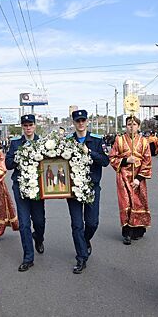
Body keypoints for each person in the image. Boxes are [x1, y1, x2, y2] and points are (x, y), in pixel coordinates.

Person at [65, 110, 110, 274]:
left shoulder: (97, 140)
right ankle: (81, 257)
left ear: (87, 122)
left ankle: (85, 241)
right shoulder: (68, 141)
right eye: (78, 121)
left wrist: (89, 152)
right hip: (73, 189)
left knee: (92, 223)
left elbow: (106, 161)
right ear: (74, 123)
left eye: (83, 120)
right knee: (77, 225)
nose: (81, 123)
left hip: (91, 186)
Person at [5, 114, 45, 272]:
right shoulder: (15, 143)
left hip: (38, 187)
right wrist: (17, 157)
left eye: (30, 125)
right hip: (20, 186)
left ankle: (39, 238)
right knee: (24, 223)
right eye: (25, 125)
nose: (28, 128)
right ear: (22, 127)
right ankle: (28, 257)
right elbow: (8, 164)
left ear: (35, 126)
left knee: (39, 221)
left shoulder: (42, 142)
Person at [109, 115, 152, 245]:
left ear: (138, 126)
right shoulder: (119, 140)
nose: (131, 127)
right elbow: (112, 158)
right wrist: (126, 160)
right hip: (123, 176)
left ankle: (138, 229)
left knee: (138, 202)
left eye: (134, 124)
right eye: (129, 124)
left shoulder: (144, 142)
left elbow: (147, 161)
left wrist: (139, 179)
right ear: (126, 126)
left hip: (138, 177)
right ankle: (126, 232)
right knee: (125, 203)